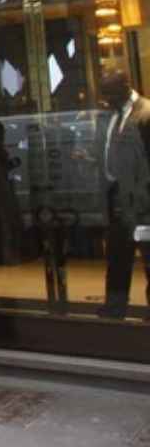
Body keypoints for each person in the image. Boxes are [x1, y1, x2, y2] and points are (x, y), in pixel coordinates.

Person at [95, 71, 150, 319]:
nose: (107, 99)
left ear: (126, 87)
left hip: (143, 199)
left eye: (111, 93)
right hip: (115, 196)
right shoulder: (108, 116)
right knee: (117, 254)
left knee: (149, 253)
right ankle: (115, 305)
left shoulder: (146, 113)